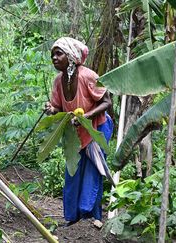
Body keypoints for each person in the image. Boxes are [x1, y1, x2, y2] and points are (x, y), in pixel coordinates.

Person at [45, 37, 113, 227]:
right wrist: (51, 109)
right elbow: (58, 106)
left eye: (59, 54)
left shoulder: (88, 76)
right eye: (53, 55)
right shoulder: (59, 81)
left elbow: (107, 102)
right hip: (76, 134)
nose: (54, 58)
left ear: (71, 56)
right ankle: (73, 218)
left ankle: (94, 218)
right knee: (72, 175)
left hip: (97, 129)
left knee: (92, 174)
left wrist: (86, 117)